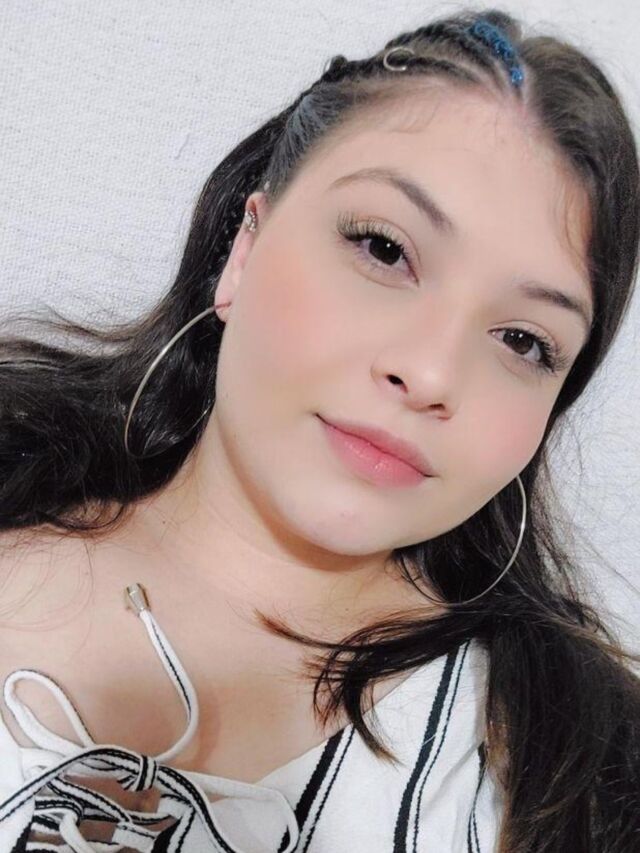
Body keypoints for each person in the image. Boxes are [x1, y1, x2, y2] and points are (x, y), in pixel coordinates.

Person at [0, 5, 638, 851]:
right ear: (244, 249)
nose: (431, 373)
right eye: (384, 249)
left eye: (523, 341)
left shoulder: (589, 778)